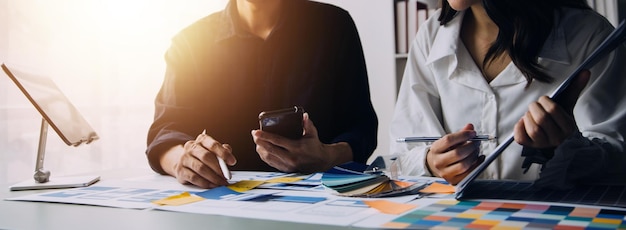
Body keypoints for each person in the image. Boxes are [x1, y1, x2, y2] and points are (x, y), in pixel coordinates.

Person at [390, 0, 626, 189]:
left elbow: (617, 165)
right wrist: (430, 162)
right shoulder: (431, 36)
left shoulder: (589, 36)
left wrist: (566, 149)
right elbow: (400, 157)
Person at [146, 0, 378, 189]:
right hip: (220, 204)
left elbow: (362, 128)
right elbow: (165, 132)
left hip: (321, 201)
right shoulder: (190, 43)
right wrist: (183, 161)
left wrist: (327, 156)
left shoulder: (334, 26)